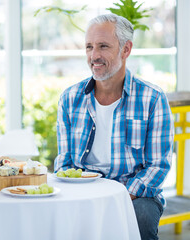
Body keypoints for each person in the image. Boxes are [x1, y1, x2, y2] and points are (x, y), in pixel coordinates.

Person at [54, 13, 174, 240]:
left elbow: (158, 166)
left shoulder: (153, 98)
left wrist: (118, 196)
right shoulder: (70, 98)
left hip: (136, 194)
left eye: (103, 46)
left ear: (126, 49)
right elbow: (65, 160)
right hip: (84, 189)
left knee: (142, 217)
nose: (94, 55)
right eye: (89, 47)